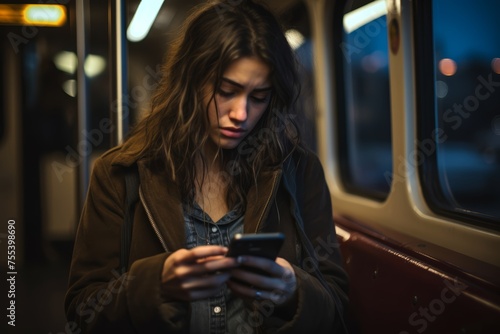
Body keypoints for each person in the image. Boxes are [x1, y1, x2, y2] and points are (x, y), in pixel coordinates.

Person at [64, 0, 349, 333]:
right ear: (190, 82)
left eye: (259, 97)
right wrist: (156, 283)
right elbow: (83, 309)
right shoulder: (119, 174)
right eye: (227, 91)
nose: (241, 114)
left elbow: (337, 302)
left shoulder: (299, 171)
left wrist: (293, 291)